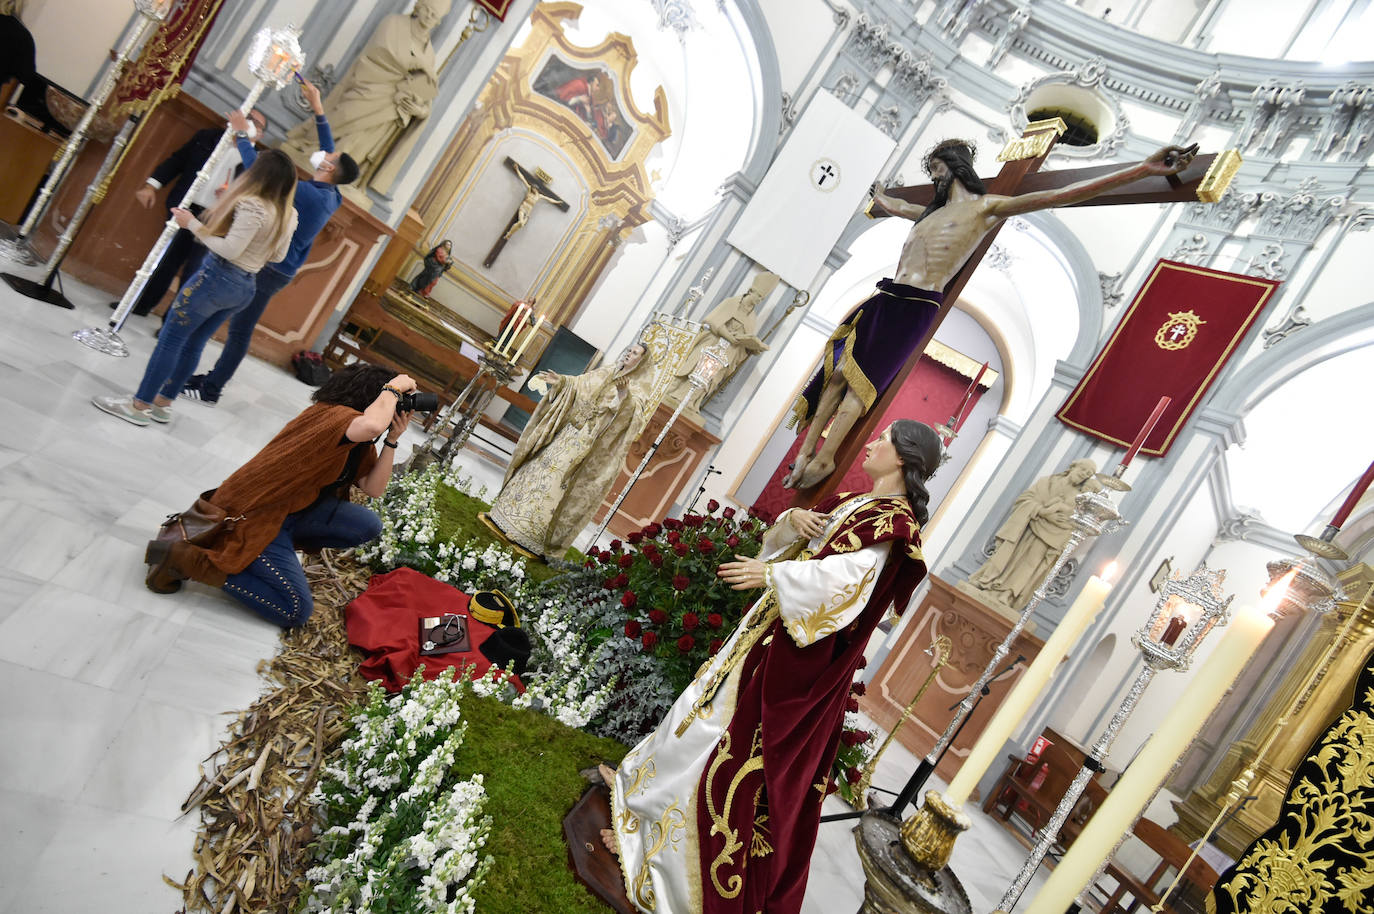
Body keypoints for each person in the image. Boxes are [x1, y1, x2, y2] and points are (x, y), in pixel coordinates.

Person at [602, 419, 942, 914]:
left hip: (797, 657)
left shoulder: (893, 523)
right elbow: (794, 544)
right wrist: (794, 523)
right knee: (703, 715)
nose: (870, 443)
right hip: (771, 631)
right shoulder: (856, 504)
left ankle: (665, 861)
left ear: (905, 458)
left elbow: (844, 585)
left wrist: (772, 574)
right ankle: (645, 803)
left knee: (725, 741)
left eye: (883, 441)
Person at [783, 139, 1199, 490]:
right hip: (889, 295)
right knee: (838, 372)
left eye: (938, 169)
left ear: (956, 167)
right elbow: (891, 204)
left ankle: (826, 458)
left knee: (863, 385)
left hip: (918, 304)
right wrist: (877, 196)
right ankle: (804, 450)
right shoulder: (928, 212)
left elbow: (1060, 195)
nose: (934, 178)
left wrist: (1141, 170)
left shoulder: (986, 208)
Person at [142, 364, 417, 626]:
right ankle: (184, 559)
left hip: (292, 512)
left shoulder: (359, 440)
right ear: (373, 396)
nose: (395, 405)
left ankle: (265, 555)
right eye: (391, 399)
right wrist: (394, 386)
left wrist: (393, 438)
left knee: (368, 524)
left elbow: (373, 488)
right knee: (294, 609)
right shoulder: (333, 417)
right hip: (257, 517)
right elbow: (370, 424)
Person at [181, 79, 359, 406]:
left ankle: (210, 388)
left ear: (329, 166)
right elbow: (326, 142)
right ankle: (202, 378)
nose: (326, 151)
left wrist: (242, 136)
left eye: (330, 154)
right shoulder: (331, 194)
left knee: (237, 329)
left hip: (271, 270)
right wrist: (317, 106)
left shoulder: (308, 194)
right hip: (277, 267)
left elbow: (261, 172)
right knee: (229, 323)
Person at [92, 150, 299, 427]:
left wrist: (192, 225)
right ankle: (163, 404)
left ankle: (139, 405)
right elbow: (277, 257)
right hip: (245, 287)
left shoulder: (254, 205)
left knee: (171, 339)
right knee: (194, 342)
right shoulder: (287, 213)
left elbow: (229, 249)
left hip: (217, 279)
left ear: (259, 174)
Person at [483, 343, 656, 560]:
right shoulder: (608, 371)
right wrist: (562, 381)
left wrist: (624, 395)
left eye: (635, 354)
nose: (628, 355)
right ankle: (508, 514)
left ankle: (532, 533)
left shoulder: (638, 388)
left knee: (558, 481)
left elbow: (633, 418)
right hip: (570, 432)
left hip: (587, 445)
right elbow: (580, 384)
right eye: (629, 351)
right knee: (540, 469)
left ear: (641, 362)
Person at [279, 0, 448, 192]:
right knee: (344, 116)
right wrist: (414, 66)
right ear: (419, 7)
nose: (429, 17)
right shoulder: (394, 23)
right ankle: (310, 145)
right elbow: (380, 53)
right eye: (428, 10)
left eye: (435, 16)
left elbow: (425, 90)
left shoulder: (430, 55)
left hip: (392, 108)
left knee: (359, 140)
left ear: (439, 22)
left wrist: (421, 110)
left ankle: (338, 172)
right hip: (371, 84)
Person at [113, 109, 267, 316]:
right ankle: (140, 305)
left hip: (215, 220)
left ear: (260, 134)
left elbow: (255, 200)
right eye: (246, 116)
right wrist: (151, 186)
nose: (246, 122)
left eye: (254, 122)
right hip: (185, 207)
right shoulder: (207, 138)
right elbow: (178, 161)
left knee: (195, 271)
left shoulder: (255, 162)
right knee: (164, 259)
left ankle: (173, 320)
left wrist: (231, 198)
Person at [963, 458, 1101, 609]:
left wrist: (1057, 519)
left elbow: (1073, 523)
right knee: (1008, 555)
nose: (1084, 475)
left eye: (1088, 474)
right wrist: (1042, 511)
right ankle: (987, 580)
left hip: (1051, 536)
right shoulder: (1047, 482)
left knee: (1029, 565)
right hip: (1027, 526)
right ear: (1073, 466)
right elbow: (1025, 500)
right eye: (1083, 470)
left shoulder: (1078, 498)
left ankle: (1007, 594)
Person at [665, 271, 778, 410]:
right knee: (694, 366)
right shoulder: (731, 302)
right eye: (759, 296)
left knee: (712, 377)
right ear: (751, 291)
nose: (759, 300)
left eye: (762, 298)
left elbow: (746, 338)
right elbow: (713, 320)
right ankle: (674, 394)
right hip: (712, 342)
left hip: (729, 353)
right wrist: (729, 336)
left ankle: (691, 402)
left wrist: (753, 348)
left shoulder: (752, 317)